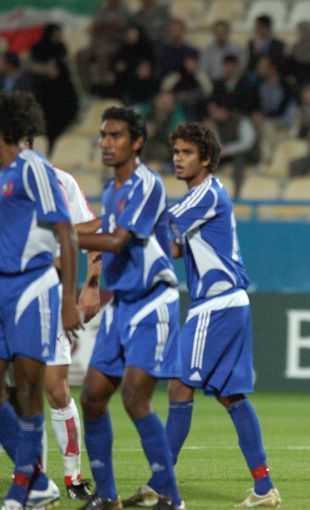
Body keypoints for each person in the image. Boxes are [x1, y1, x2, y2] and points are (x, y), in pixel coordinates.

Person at [122, 122, 281, 508]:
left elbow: (159, 227)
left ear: (206, 159)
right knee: (230, 395)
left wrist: (115, 233)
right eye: (176, 152)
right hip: (226, 304)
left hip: (216, 305)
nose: (178, 159)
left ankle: (161, 484)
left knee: (180, 387)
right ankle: (264, 487)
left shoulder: (205, 194)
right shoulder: (203, 197)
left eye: (187, 152)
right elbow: (174, 248)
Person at [74, 107, 183, 510]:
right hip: (121, 304)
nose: (106, 142)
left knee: (135, 399)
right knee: (92, 397)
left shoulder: (146, 184)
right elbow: (103, 230)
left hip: (152, 303)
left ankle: (170, 496)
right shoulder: (112, 189)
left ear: (136, 142)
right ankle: (107, 495)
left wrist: (64, 238)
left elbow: (118, 240)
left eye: (116, 135)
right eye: (103, 135)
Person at [0, 90, 81, 509]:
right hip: (1, 287)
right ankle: (39, 480)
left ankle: (24, 486)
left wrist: (69, 300)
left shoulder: (33, 168)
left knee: (31, 388)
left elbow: (67, 233)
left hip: (33, 286)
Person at [20, 135, 103, 502]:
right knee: (16, 394)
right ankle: (31, 478)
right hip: (8, 295)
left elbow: (90, 230)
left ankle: (73, 477)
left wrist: (92, 284)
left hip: (48, 294)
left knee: (55, 387)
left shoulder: (59, 181)